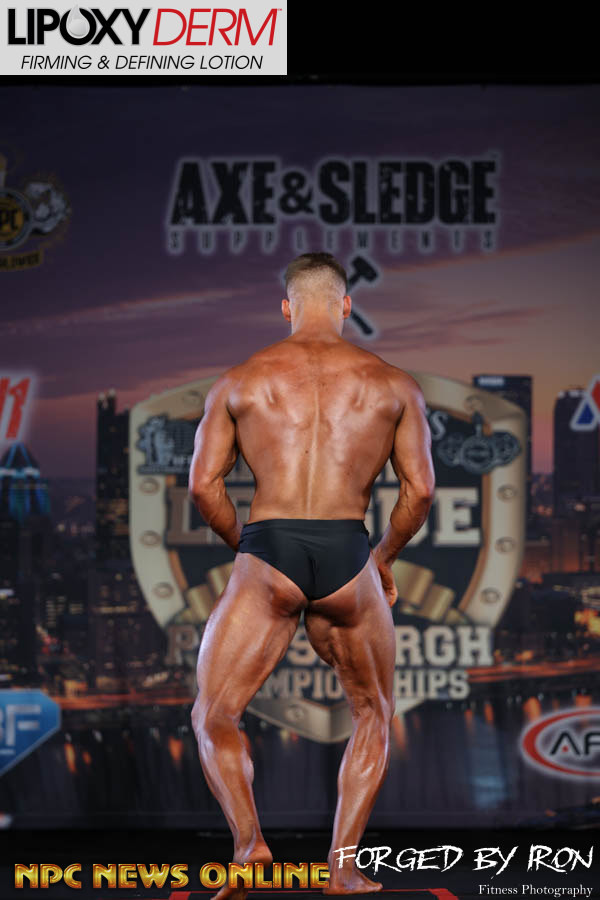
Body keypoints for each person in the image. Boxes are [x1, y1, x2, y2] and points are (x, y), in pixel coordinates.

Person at [188, 252, 435, 897]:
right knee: (372, 712)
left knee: (215, 713)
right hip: (348, 549)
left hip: (268, 546)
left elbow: (204, 486)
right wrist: (381, 559)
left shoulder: (240, 381)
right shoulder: (394, 385)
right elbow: (420, 492)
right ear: (347, 305)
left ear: (286, 307)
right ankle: (343, 868)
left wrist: (249, 550)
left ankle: (249, 845)